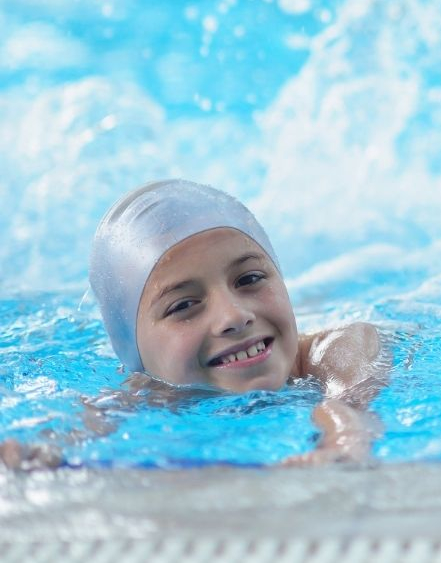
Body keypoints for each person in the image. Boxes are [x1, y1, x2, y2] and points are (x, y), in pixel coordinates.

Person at [2, 179, 387, 469]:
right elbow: (77, 431)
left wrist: (342, 442)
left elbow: (347, 405)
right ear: (134, 352)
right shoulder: (148, 393)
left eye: (250, 279)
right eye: (183, 305)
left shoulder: (336, 347)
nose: (234, 316)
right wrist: (36, 455)